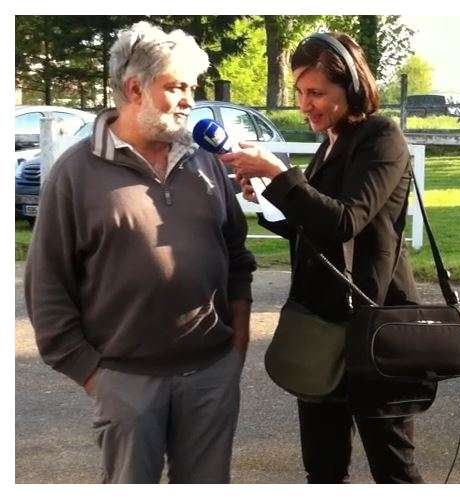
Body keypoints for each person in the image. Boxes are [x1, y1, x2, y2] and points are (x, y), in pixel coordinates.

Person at [25, 21, 256, 483]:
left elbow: (236, 255)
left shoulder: (206, 163)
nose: (189, 101)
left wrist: (236, 347)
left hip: (211, 373)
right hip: (125, 383)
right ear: (134, 89)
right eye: (176, 87)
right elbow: (46, 286)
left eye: (191, 88)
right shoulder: (75, 173)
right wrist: (94, 375)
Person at [219, 32, 424, 484]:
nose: (303, 104)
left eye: (315, 92)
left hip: (374, 327)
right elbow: (312, 228)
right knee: (322, 468)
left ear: (351, 86)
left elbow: (345, 220)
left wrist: (278, 173)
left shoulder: (381, 137)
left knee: (393, 469)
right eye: (299, 91)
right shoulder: (331, 141)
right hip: (322, 327)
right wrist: (268, 197)